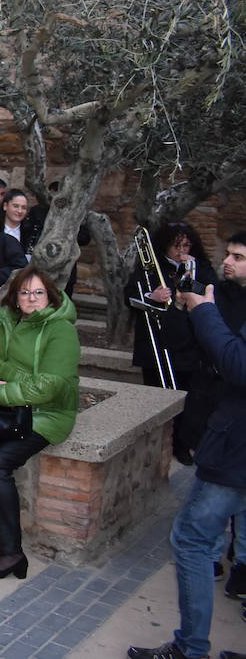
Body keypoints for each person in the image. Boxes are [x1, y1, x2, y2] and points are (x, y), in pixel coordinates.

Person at [128, 275, 246, 659]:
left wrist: (205, 312)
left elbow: (237, 364)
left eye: (239, 256)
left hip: (236, 451)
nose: (227, 262)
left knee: (192, 539)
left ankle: (190, 649)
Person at [0, 265, 79, 581]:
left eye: (39, 292)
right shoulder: (4, 322)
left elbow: (49, 385)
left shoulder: (61, 329)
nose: (32, 298)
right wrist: (11, 379)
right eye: (25, 292)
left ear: (51, 296)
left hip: (46, 415)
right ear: (15, 297)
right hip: (7, 411)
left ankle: (12, 554)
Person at [126, 222, 218, 464]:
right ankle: (152, 448)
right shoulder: (149, 269)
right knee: (156, 396)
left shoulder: (200, 267)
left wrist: (189, 274)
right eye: (176, 245)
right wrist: (151, 296)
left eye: (186, 245)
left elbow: (208, 293)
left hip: (188, 345)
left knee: (188, 398)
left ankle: (181, 445)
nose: (181, 250)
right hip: (156, 344)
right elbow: (130, 294)